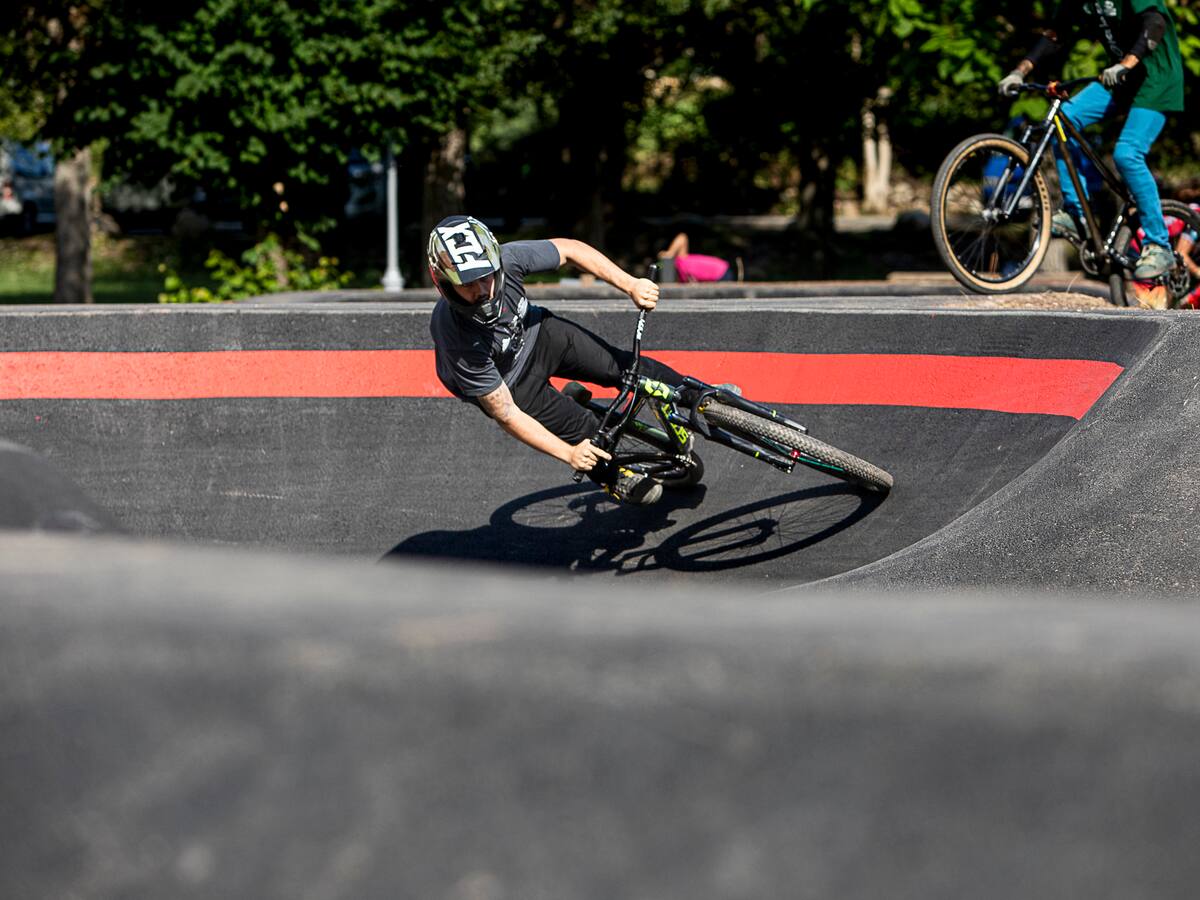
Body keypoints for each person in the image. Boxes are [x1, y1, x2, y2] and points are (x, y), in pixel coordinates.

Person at [427, 214, 693, 506]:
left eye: (486, 276)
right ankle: (612, 476)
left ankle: (701, 396)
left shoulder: (510, 258)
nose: (481, 290)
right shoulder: (455, 337)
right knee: (587, 432)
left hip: (539, 334)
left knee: (626, 367)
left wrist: (630, 284)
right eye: (467, 284)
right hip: (512, 383)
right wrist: (569, 454)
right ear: (444, 284)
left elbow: (570, 250)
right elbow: (506, 413)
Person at [997, 0, 1184, 280]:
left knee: (1127, 154)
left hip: (1157, 79)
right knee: (1062, 120)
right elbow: (1055, 35)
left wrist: (1126, 63)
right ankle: (1076, 213)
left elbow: (1155, 23)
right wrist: (1019, 71)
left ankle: (1159, 244)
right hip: (1123, 77)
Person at [657, 232, 737, 283]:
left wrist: (670, 252)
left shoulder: (681, 260)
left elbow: (682, 237)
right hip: (719, 273)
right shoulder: (682, 275)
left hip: (721, 272)